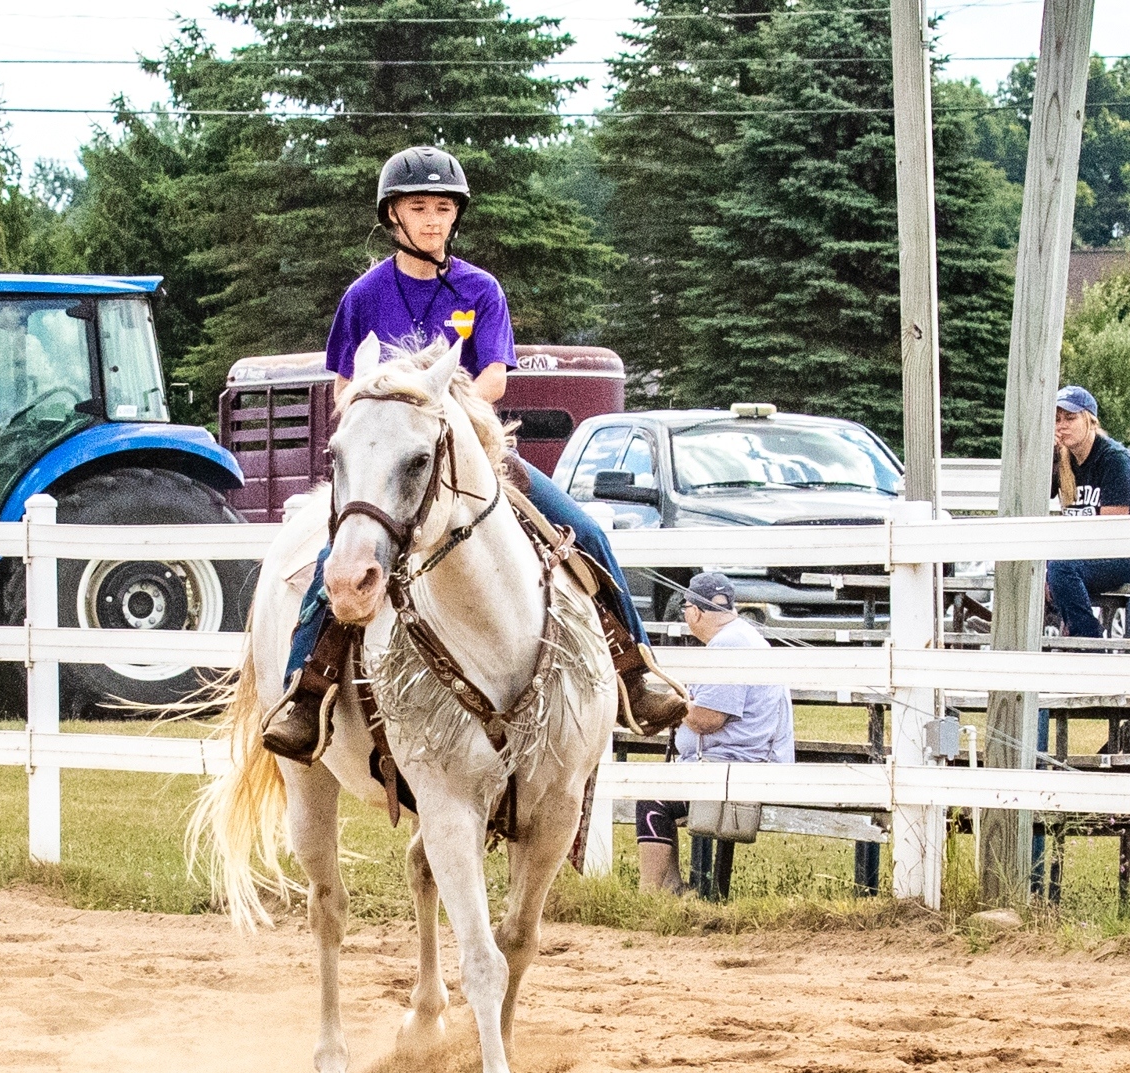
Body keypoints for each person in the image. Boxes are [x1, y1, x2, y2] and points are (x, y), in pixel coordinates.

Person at [262, 145, 687, 762]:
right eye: (418, 208)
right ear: (393, 216)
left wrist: (439, 408)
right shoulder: (363, 296)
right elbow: (345, 388)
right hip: (394, 459)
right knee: (337, 557)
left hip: (473, 445)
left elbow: (493, 379)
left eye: (443, 208)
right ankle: (304, 693)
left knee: (587, 530)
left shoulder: (480, 289)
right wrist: (393, 412)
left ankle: (635, 671)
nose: (432, 220)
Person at [635, 572, 794, 894]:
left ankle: (652, 892)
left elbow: (708, 719)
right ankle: (671, 890)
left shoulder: (729, 645)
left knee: (652, 797)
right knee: (656, 791)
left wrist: (667, 707)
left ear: (694, 611)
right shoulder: (741, 637)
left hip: (737, 767)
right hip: (743, 760)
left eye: (686, 610)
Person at [1046, 385, 1130, 638]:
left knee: (1061, 568)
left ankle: (1087, 641)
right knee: (1033, 564)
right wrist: (1047, 456)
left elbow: (1111, 532)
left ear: (1091, 421)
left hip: (1119, 551)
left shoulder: (1114, 459)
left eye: (1070, 418)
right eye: (1057, 419)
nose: (1062, 426)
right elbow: (1032, 494)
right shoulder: (1062, 460)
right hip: (1083, 551)